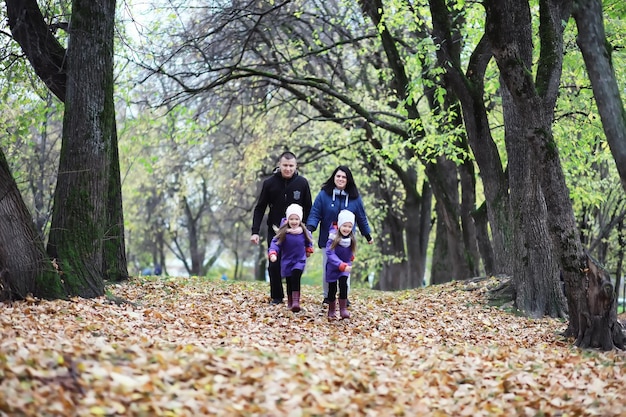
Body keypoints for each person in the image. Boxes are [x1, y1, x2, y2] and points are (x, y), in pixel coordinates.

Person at [251, 151, 312, 305]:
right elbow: (260, 208)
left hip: (296, 233)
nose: (288, 169)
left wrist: (306, 230)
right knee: (274, 264)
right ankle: (277, 297)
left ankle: (294, 299)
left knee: (294, 266)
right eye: (285, 165)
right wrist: (255, 231)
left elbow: (309, 209)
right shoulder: (269, 183)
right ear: (279, 165)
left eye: (291, 166)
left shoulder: (302, 183)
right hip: (276, 231)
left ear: (296, 166)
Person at [306, 165, 373, 304]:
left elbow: (361, 218)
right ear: (334, 178)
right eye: (338, 176)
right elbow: (315, 213)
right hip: (328, 239)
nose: (341, 179)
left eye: (344, 177)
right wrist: (310, 229)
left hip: (347, 241)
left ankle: (344, 297)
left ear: (348, 180)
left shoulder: (355, 198)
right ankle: (327, 296)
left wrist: (367, 235)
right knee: (328, 268)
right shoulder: (324, 195)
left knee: (345, 268)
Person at [268, 204, 314, 312]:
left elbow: (309, 241)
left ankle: (296, 302)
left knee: (296, 276)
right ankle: (290, 302)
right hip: (287, 261)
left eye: (296, 219)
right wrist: (273, 253)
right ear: (288, 219)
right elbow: (275, 243)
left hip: (299, 260)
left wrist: (308, 249)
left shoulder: (304, 232)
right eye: (291, 219)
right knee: (289, 281)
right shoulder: (283, 232)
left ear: (300, 220)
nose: (294, 222)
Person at [325, 210, 357, 320]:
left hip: (344, 266)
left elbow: (352, 250)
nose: (347, 229)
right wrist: (340, 264)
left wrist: (351, 257)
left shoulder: (351, 238)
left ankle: (343, 309)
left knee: (344, 285)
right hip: (333, 267)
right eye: (344, 226)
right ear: (339, 225)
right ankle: (332, 309)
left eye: (349, 226)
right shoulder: (333, 237)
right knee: (332, 289)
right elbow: (329, 253)